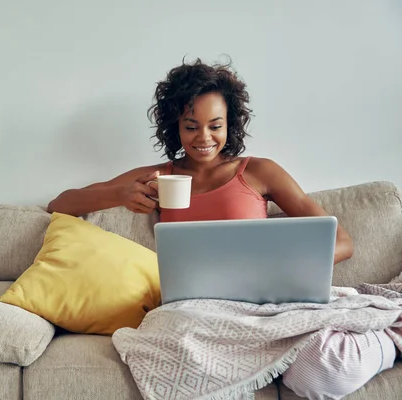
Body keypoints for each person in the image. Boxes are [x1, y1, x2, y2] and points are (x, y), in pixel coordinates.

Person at [47, 58, 400, 399]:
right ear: (174, 126)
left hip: (270, 305)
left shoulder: (259, 171)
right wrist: (119, 194)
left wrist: (286, 266)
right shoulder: (160, 177)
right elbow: (60, 203)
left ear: (230, 123)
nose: (204, 137)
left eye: (215, 125)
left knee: (324, 373)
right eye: (191, 126)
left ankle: (392, 337)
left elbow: (342, 241)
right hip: (199, 312)